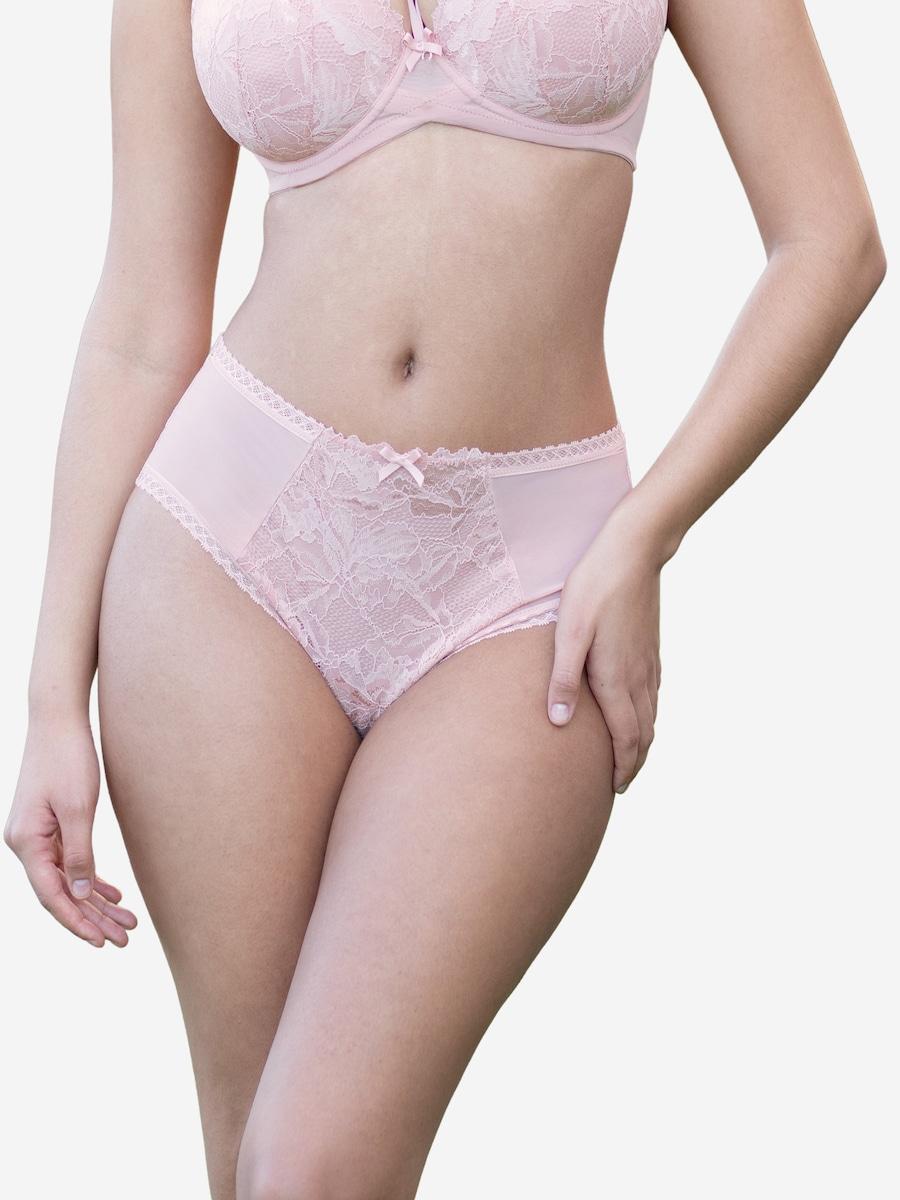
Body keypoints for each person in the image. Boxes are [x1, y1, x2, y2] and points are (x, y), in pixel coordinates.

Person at [4, 1, 885, 1198]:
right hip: (228, 548)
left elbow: (832, 241)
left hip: (527, 587)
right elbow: (142, 327)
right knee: (253, 1162)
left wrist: (646, 533)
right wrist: (52, 695)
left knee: (311, 1168)